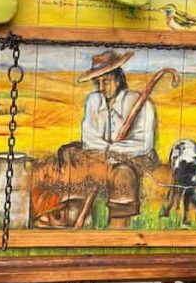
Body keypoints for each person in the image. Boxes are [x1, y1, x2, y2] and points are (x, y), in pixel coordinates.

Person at [31, 50, 158, 229]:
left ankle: (118, 223)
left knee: (123, 172)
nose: (100, 87)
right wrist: (106, 153)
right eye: (96, 82)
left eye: (105, 81)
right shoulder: (93, 100)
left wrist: (117, 152)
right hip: (102, 154)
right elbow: (89, 137)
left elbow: (143, 143)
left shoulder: (139, 103)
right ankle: (73, 210)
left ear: (118, 79)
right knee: (69, 152)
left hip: (134, 155)